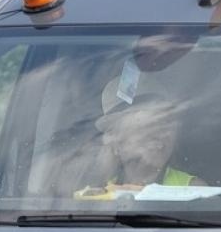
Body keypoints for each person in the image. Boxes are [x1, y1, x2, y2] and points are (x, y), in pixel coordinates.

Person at [74, 74, 204, 195]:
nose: (160, 142)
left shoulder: (192, 190)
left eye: (166, 127)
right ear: (116, 143)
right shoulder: (96, 192)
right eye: (147, 131)